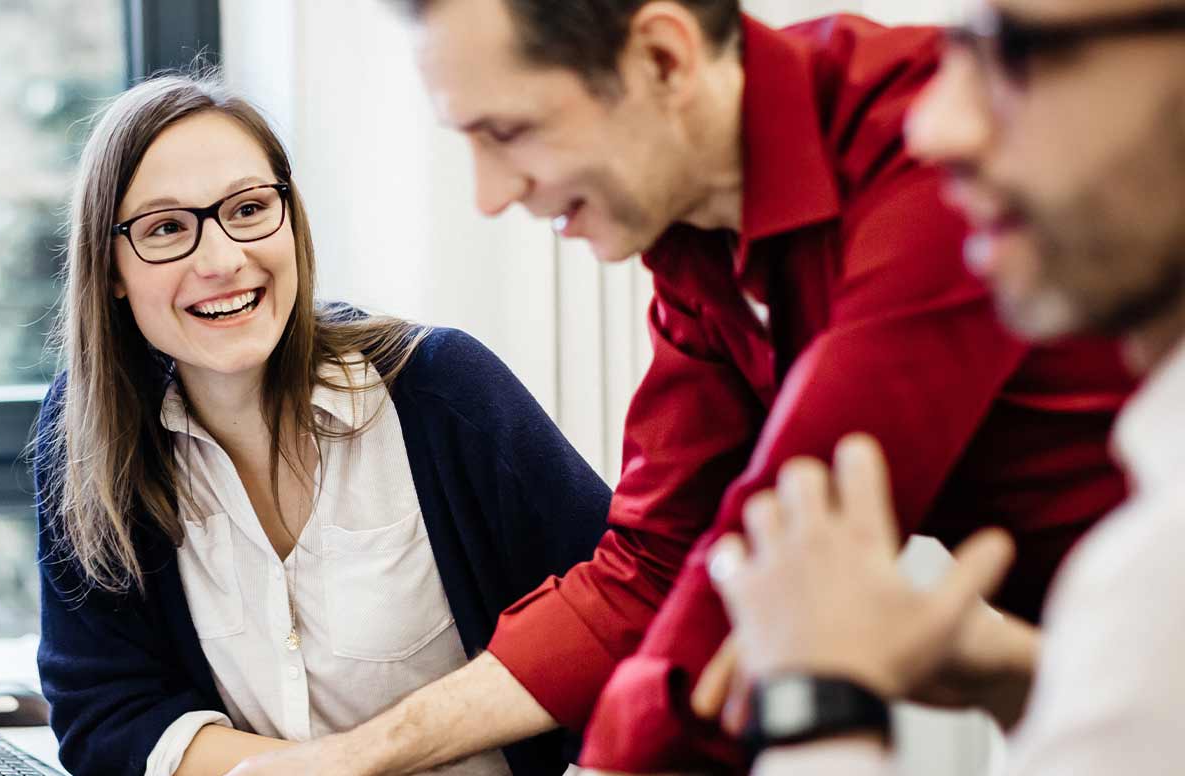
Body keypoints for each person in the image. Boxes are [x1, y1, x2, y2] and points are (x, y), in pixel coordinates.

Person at [227, 1, 1137, 773]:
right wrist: (351, 757)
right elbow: (652, 568)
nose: (490, 194)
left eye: (508, 133)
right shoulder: (700, 243)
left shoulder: (916, 152)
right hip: (1094, 664)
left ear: (663, 58)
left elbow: (772, 546)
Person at [30, 73, 614, 776]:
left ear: (291, 217)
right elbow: (105, 714)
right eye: (165, 229)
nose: (220, 260)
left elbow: (620, 619)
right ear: (112, 268)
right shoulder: (90, 433)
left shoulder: (441, 390)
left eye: (248, 209)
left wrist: (350, 761)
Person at [704, 0, 1185, 772]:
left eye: (1015, 49)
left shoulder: (1156, 574)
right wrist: (1027, 679)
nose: (935, 128)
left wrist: (818, 705)